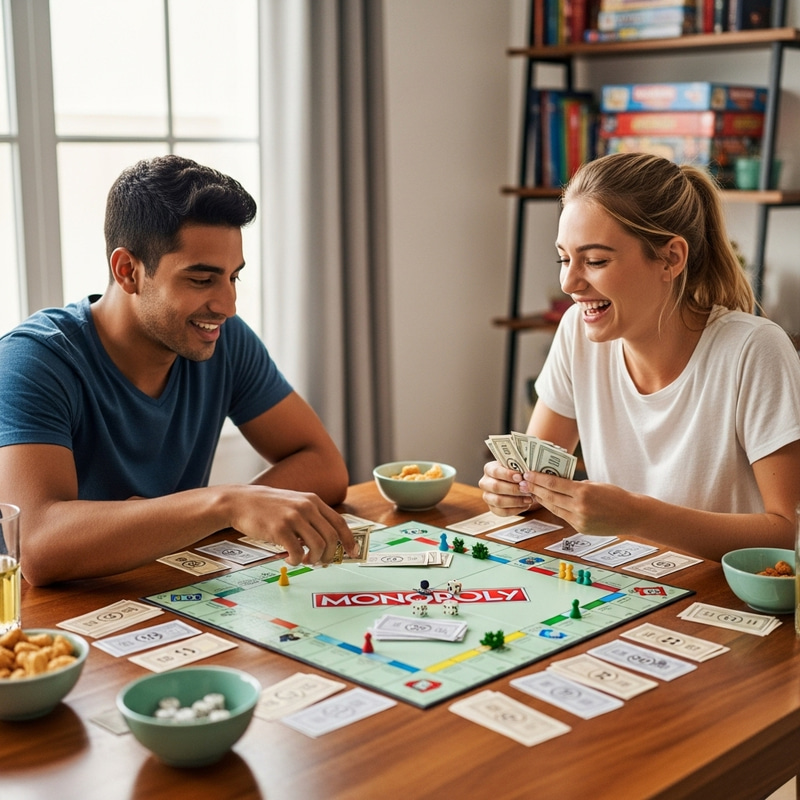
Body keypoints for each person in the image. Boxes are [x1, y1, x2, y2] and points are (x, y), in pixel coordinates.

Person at [0, 155, 356, 586]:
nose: (227, 306)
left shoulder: (225, 339)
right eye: (202, 280)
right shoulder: (33, 361)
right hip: (47, 625)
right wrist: (223, 504)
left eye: (233, 278)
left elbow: (324, 466)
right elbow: (36, 546)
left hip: (166, 590)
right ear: (128, 271)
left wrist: (225, 508)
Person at [480, 152, 800, 562]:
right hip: (630, 582)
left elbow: (788, 531)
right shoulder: (576, 332)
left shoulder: (754, 350)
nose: (569, 282)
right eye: (564, 258)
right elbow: (536, 480)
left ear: (670, 259)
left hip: (728, 597)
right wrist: (510, 490)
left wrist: (638, 515)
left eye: (595, 261)